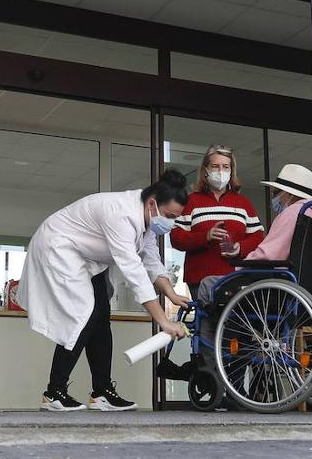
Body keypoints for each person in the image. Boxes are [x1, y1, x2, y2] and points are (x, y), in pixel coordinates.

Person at [20, 169, 192, 412]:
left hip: (86, 256)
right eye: (170, 216)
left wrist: (172, 294)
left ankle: (102, 392)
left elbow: (152, 262)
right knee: (84, 313)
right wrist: (163, 321)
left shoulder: (147, 219)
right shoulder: (122, 214)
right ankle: (54, 393)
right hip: (58, 246)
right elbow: (134, 271)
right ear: (153, 203)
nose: (171, 223)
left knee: (101, 314)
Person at [169, 145, 265, 299]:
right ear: (205, 170)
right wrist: (205, 236)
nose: (221, 171)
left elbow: (259, 237)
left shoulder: (243, 203)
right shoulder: (191, 201)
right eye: (215, 166)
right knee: (208, 321)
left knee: (234, 321)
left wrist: (240, 247)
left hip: (235, 277)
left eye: (225, 167)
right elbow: (176, 238)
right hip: (199, 278)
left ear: (231, 171)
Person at [246, 164, 312, 262]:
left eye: (275, 193)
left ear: (290, 194)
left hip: (289, 276)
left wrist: (241, 265)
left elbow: (268, 256)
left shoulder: (292, 213)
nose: (273, 197)